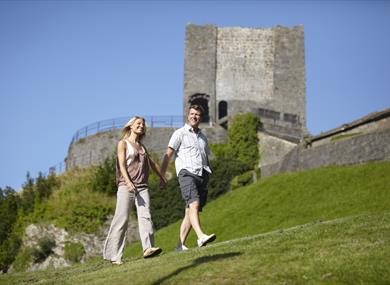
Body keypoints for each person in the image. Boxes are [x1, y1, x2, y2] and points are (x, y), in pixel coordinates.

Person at [103, 116, 167, 265]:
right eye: (138, 123)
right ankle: (114, 256)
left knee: (146, 217)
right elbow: (121, 165)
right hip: (126, 186)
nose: (141, 126)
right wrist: (128, 181)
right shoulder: (123, 144)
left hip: (142, 186)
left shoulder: (142, 147)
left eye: (143, 124)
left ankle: (148, 249)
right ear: (131, 126)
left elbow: (152, 164)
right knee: (122, 219)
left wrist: (162, 177)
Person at [160, 105, 216, 251]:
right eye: (192, 113)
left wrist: (208, 175)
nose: (194, 116)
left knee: (190, 211)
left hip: (202, 175)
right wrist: (162, 175)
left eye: (197, 114)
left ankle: (180, 245)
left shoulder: (203, 137)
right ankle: (201, 237)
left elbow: (205, 157)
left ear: (200, 117)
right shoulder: (179, 133)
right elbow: (168, 155)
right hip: (186, 173)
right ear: (188, 115)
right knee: (194, 204)